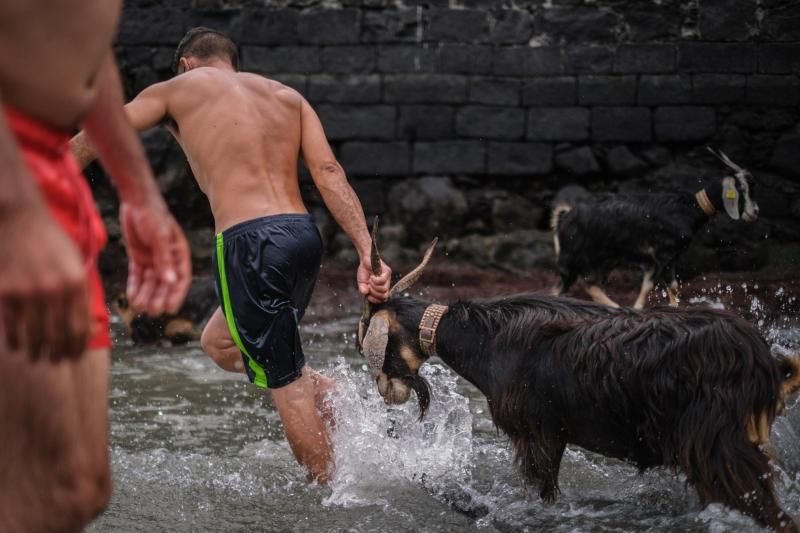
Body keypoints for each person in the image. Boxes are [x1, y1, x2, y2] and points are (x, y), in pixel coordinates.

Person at [72, 27, 392, 484]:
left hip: (250, 242)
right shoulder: (286, 96)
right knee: (219, 343)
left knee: (283, 381)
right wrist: (366, 252)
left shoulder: (175, 90)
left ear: (186, 64)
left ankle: (330, 497)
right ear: (231, 64)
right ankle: (332, 393)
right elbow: (327, 172)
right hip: (302, 237)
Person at [0, 2, 192, 531]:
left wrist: (139, 193)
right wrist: (17, 212)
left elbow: (85, 49)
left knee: (80, 486)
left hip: (53, 184)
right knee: (26, 485)